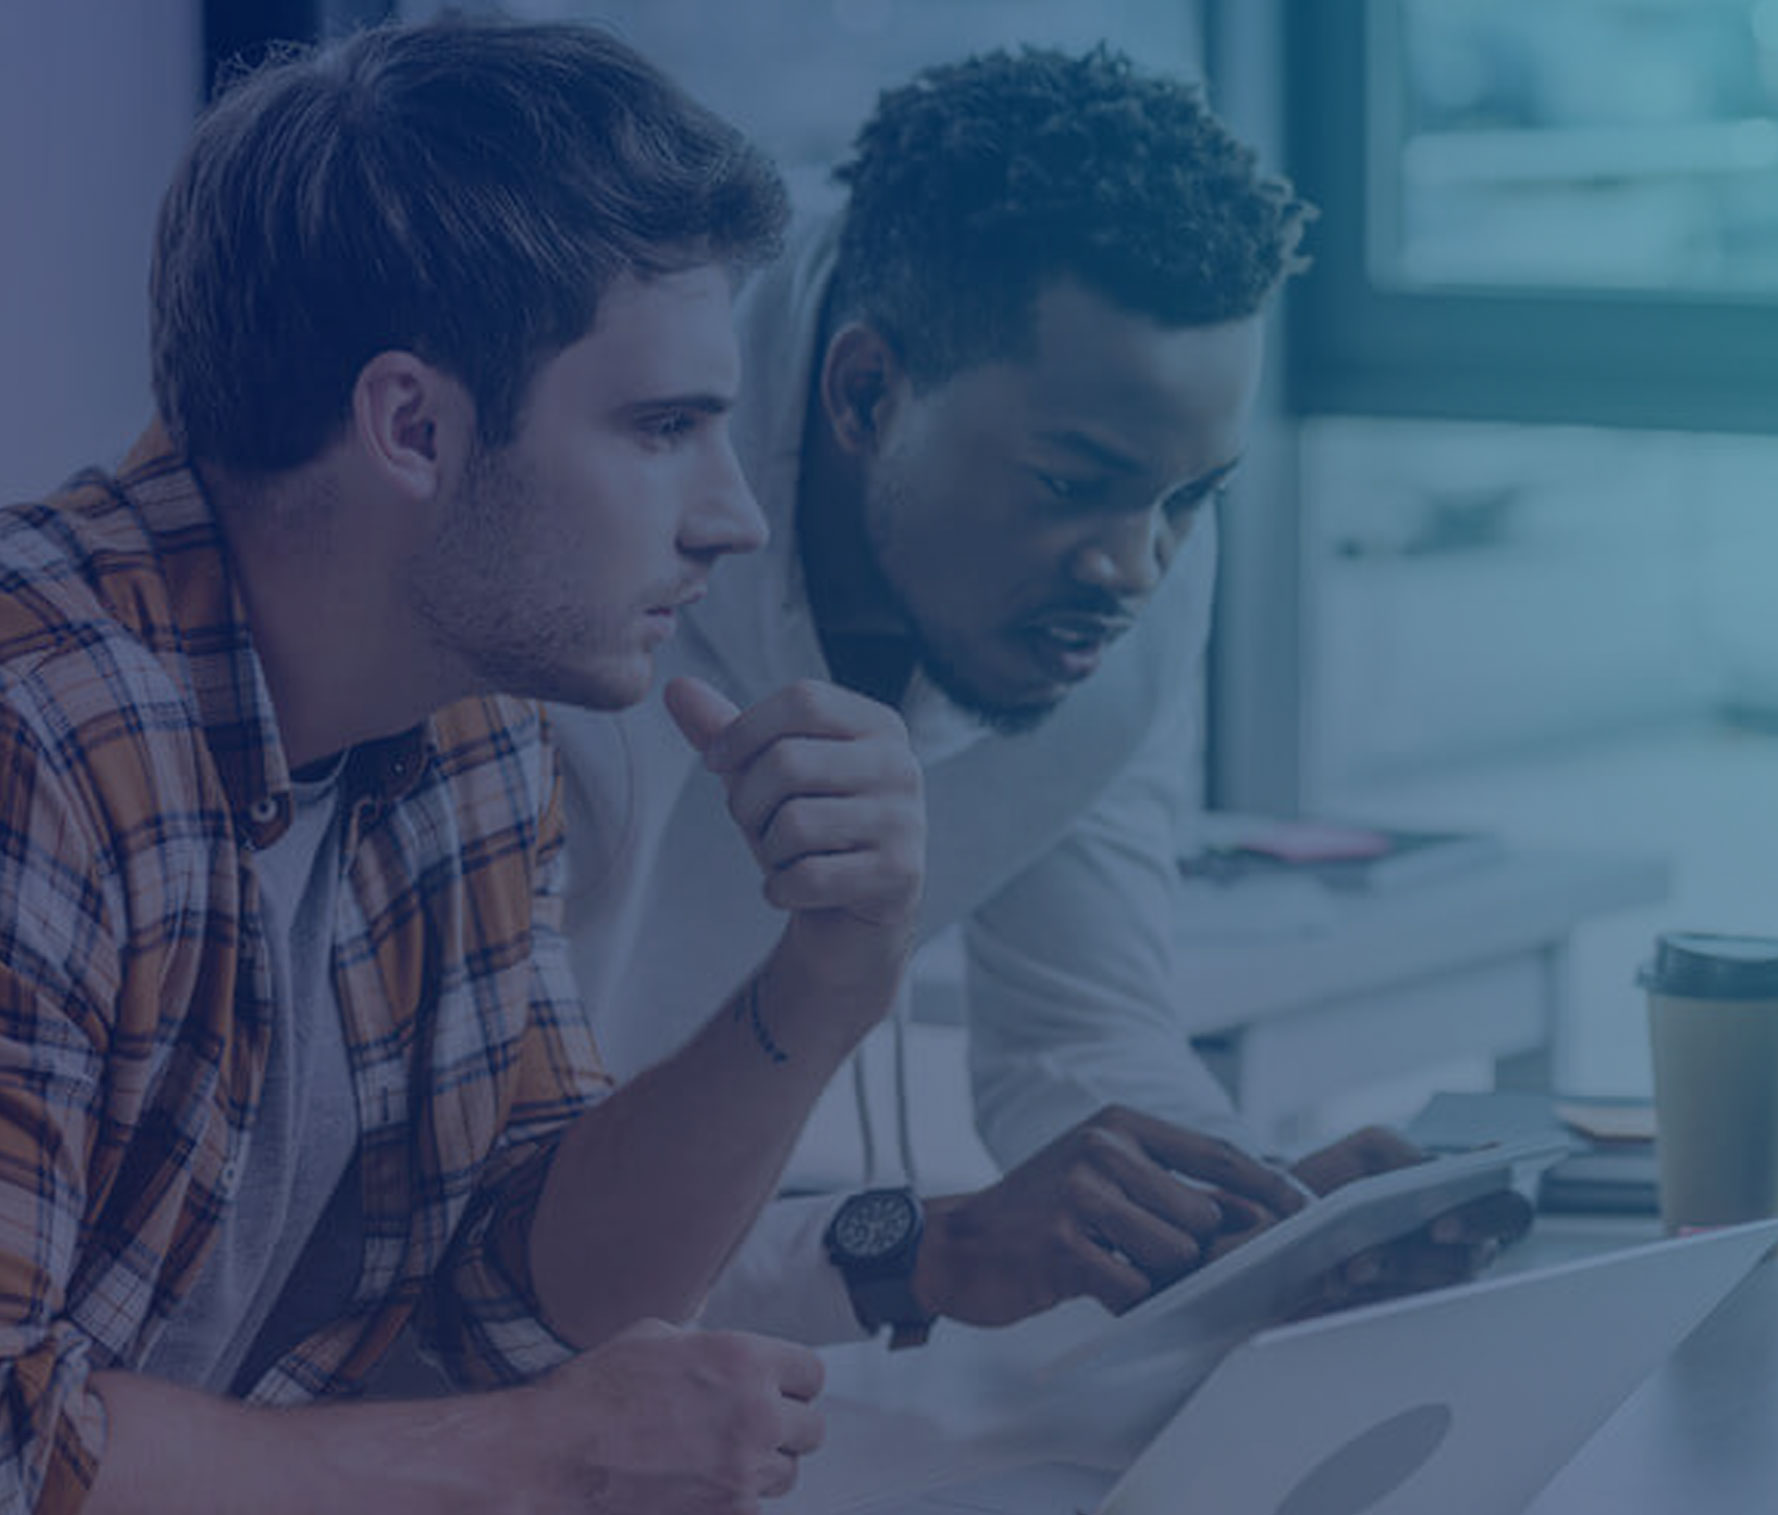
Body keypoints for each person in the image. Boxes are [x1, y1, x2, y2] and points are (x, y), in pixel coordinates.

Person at [0, 18, 963, 1513]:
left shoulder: (468, 724)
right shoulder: (37, 738)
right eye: (660, 430)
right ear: (411, 426)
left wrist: (828, 979)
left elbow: (520, 1298)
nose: (732, 519)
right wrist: (534, 1452)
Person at [550, 46, 1525, 1348]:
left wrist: (1249, 1221)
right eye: (1071, 486)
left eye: (1188, 499)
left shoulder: (1130, 514)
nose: (1133, 570)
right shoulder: (581, 552)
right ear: (864, 390)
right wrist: (926, 1249)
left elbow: (1077, 1034)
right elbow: (489, 1258)